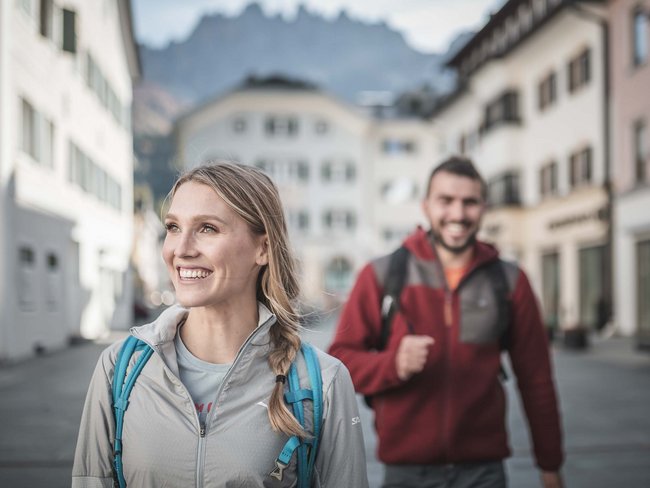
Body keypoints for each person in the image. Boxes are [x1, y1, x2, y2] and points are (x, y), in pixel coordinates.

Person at [72, 162, 369, 487]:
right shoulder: (120, 369)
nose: (180, 250)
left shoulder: (322, 383)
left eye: (207, 228)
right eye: (173, 228)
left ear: (263, 248)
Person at [328, 156, 564, 488]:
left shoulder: (510, 281)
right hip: (406, 472)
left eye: (469, 202)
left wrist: (550, 465)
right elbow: (339, 362)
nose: (457, 214)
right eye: (446, 201)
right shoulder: (382, 276)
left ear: (483, 207)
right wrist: (392, 364)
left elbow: (537, 379)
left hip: (484, 471)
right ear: (426, 206)